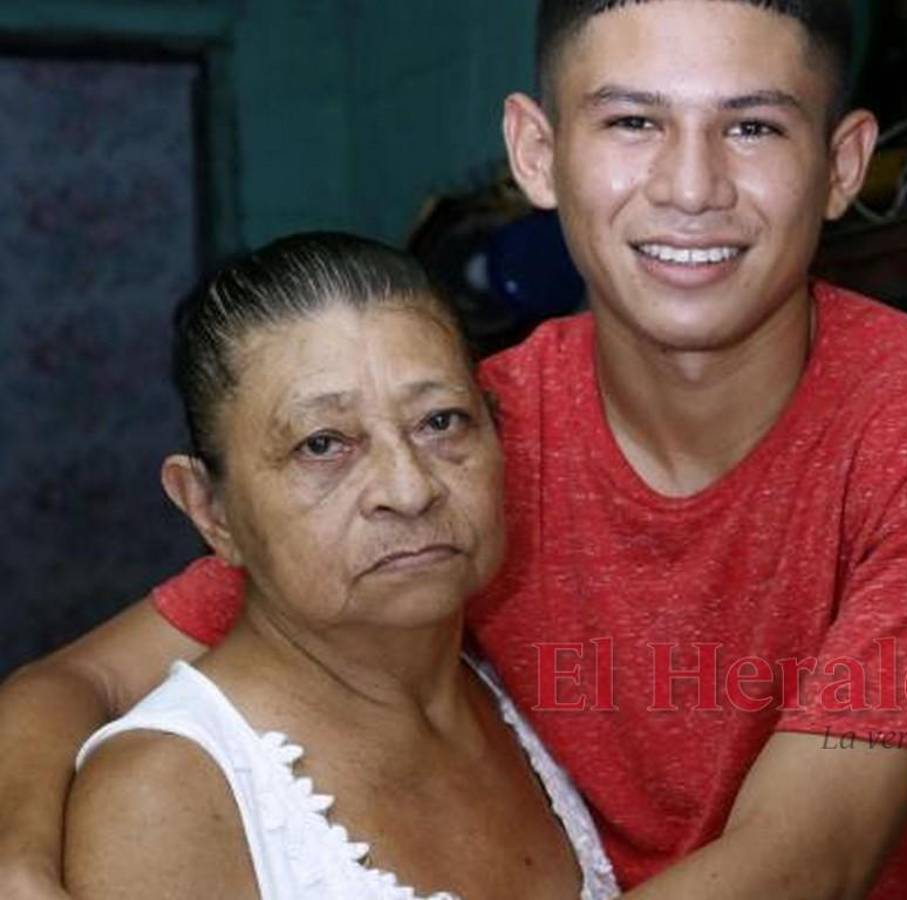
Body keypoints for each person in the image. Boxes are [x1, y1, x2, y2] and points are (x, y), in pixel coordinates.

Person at [0, 2, 907, 898]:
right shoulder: (459, 439)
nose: (691, 186)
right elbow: (75, 682)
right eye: (634, 121)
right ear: (538, 154)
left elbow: (802, 865)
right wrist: (19, 867)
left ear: (842, 164)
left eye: (752, 127)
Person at [62, 232, 618, 900]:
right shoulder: (167, 796)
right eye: (323, 444)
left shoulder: (516, 694)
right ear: (209, 508)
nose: (409, 489)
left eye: (441, 422)